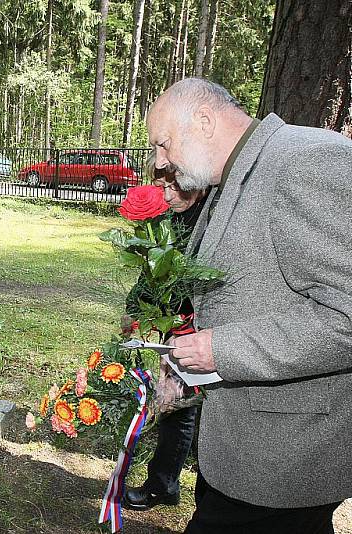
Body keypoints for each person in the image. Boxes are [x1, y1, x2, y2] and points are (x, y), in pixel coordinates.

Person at [147, 77, 352, 533]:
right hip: (242, 450)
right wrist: (185, 365)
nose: (159, 161)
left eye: (162, 144)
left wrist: (221, 350)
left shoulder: (306, 161)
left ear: (203, 120)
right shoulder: (235, 175)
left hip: (286, 459)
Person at [123, 155, 209, 511]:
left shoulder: (211, 219)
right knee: (175, 407)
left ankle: (163, 486)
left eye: (176, 185)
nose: (168, 194)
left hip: (198, 331)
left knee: (182, 408)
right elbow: (151, 271)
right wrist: (134, 308)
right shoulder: (168, 219)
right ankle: (166, 483)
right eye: (162, 186)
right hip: (170, 325)